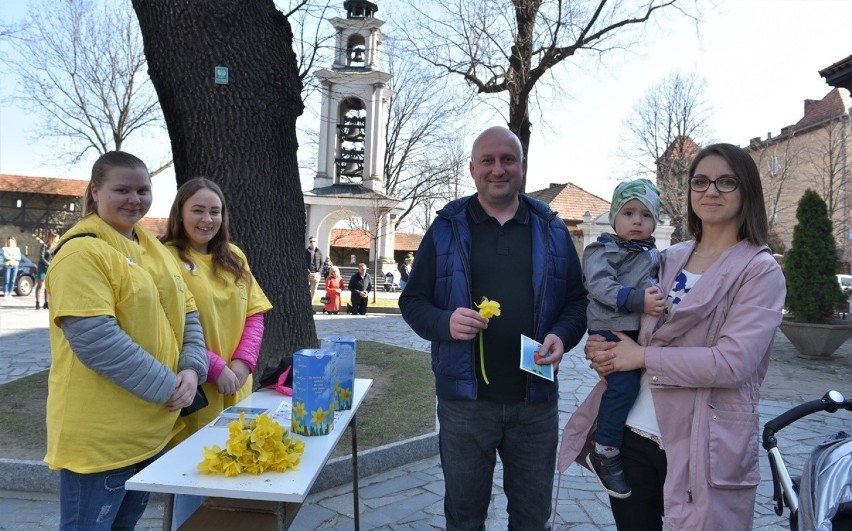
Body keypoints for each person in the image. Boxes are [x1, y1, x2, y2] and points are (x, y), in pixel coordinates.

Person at [559, 143, 786, 530]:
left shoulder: (760, 272)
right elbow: (624, 315)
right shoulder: (667, 258)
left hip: (701, 444)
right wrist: (605, 349)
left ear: (747, 189)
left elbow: (731, 364)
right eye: (701, 181)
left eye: (725, 181)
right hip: (631, 436)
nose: (710, 191)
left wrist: (640, 358)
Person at [399, 126, 588, 530]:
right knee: (465, 518)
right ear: (472, 169)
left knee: (532, 519)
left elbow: (576, 301)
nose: (497, 169)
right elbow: (412, 301)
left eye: (507, 160)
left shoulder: (551, 228)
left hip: (534, 403)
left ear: (522, 166)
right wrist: (445, 322)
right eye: (488, 160)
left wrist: (562, 335)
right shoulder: (447, 228)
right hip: (465, 406)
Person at [44, 151, 208, 530]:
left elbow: (188, 312)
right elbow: (96, 340)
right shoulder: (81, 252)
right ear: (95, 192)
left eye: (143, 190)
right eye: (122, 189)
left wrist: (191, 367)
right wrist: (170, 386)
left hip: (148, 431)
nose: (134, 199)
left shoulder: (151, 247)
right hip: (102, 440)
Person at [161, 176, 273, 441]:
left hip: (237, 383)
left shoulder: (235, 256)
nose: (207, 219)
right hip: (196, 389)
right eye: (197, 210)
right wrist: (214, 367)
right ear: (180, 213)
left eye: (215, 211)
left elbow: (254, 313)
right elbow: (167, 324)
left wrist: (243, 362)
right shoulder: (164, 257)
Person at [582, 178, 665, 499]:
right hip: (610, 326)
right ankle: (605, 449)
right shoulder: (602, 249)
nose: (637, 221)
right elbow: (599, 286)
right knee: (624, 384)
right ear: (615, 216)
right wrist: (638, 300)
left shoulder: (653, 253)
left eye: (646, 215)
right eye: (629, 212)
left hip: (637, 329)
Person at [35, 232, 59, 309]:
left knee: (48, 286)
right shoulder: (44, 246)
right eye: (56, 238)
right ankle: (38, 302)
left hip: (51, 267)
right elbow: (41, 257)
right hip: (42, 266)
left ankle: (46, 302)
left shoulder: (56, 247)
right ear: (52, 238)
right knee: (40, 285)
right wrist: (48, 264)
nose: (58, 239)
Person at [306, 235, 323, 309]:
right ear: (309, 242)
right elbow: (303, 263)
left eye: (314, 241)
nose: (312, 243)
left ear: (316, 242)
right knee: (307, 290)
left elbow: (322, 263)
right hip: (308, 274)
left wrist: (318, 272)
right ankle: (306, 304)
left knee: (314, 291)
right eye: (311, 241)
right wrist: (308, 272)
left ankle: (310, 306)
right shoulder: (306, 252)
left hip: (316, 274)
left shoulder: (319, 252)